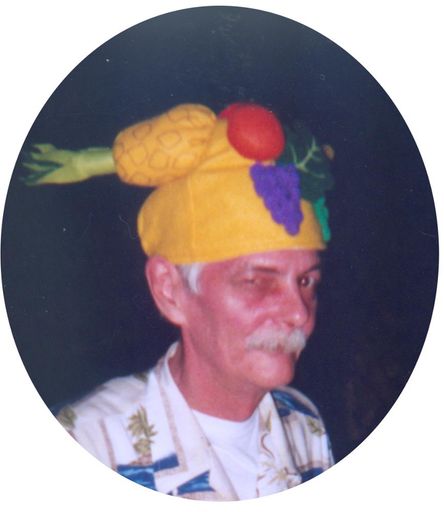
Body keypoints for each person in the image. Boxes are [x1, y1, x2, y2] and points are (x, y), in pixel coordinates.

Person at [26, 102, 335, 500]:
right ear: (169, 291)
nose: (297, 312)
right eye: (257, 281)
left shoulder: (305, 426)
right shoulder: (88, 446)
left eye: (306, 281)